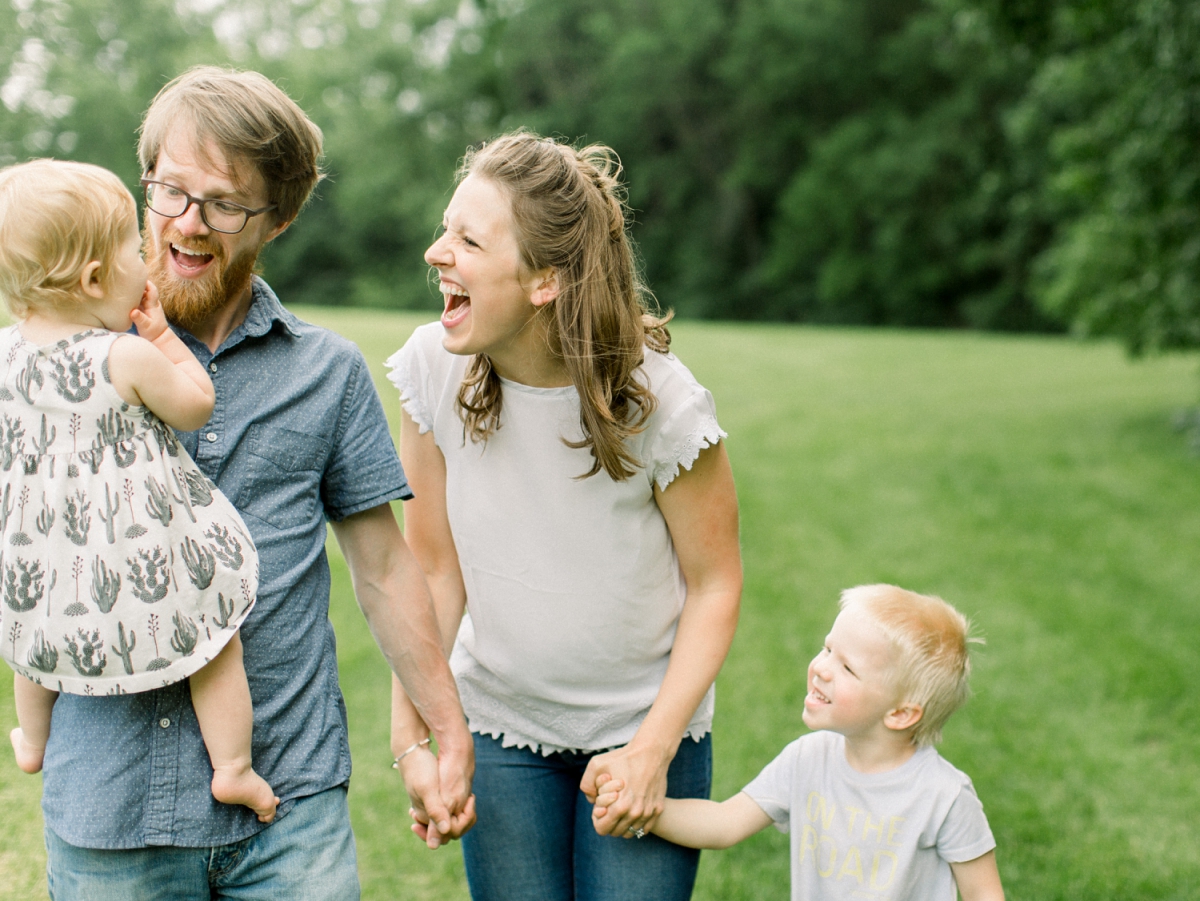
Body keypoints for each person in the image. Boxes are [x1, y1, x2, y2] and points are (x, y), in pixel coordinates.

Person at [32, 67, 474, 900]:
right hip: (108, 803)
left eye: (225, 204)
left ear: (280, 216)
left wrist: (441, 731)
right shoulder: (61, 366)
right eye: (169, 191)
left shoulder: (327, 373)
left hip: (288, 808)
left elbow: (383, 569)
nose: (189, 224)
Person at [385, 130, 743, 901]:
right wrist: (412, 733)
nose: (435, 251)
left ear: (545, 280)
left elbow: (715, 586)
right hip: (501, 724)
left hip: (643, 734)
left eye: (468, 239)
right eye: (447, 228)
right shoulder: (431, 370)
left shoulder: (661, 401)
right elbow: (432, 570)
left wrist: (653, 748)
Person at [0, 159, 277, 824]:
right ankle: (233, 767)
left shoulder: (6, 355)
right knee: (214, 640)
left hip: (46, 555)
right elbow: (194, 404)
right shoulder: (121, 356)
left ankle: (32, 737)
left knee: (29, 630)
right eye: (132, 248)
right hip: (142, 557)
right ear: (96, 277)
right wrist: (158, 335)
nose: (144, 259)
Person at [594, 584, 1006, 901]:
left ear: (899, 713)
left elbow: (984, 892)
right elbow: (724, 824)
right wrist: (642, 807)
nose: (821, 668)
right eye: (827, 649)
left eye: (847, 667)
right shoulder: (808, 759)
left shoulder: (944, 796)